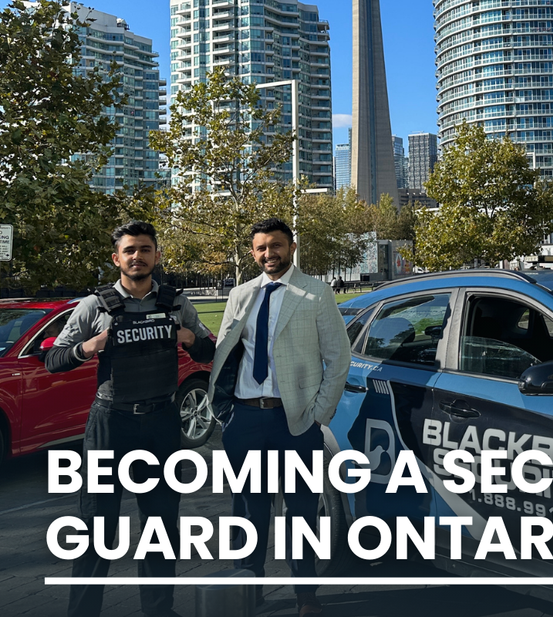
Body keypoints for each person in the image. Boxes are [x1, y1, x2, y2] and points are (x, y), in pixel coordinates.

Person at [45, 220, 216, 617]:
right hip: (111, 424)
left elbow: (209, 353)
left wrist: (192, 340)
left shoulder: (175, 302)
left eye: (144, 249)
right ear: (116, 258)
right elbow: (54, 360)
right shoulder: (94, 305)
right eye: (129, 250)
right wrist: (90, 345)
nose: (137, 256)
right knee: (96, 527)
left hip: (160, 423)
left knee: (161, 525)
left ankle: (159, 609)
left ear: (156, 254)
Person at [208, 217, 349, 617]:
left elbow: (338, 360)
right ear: (252, 252)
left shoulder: (316, 293)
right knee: (248, 510)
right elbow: (226, 353)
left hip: (296, 422)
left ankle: (306, 595)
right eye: (261, 248)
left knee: (300, 511)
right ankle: (247, 590)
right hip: (245, 420)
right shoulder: (240, 295)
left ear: (291, 247)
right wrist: (225, 413)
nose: (268, 253)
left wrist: (318, 415)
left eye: (276, 245)